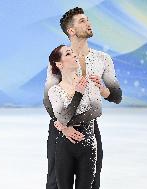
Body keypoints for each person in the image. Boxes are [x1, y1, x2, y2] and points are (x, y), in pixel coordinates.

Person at [44, 7, 122, 189]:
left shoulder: (103, 59)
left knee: (92, 182)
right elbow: (49, 100)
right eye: (82, 21)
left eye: (88, 19)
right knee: (56, 182)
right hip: (59, 129)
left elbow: (116, 96)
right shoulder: (61, 58)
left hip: (90, 127)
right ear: (71, 30)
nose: (89, 23)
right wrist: (63, 126)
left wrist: (103, 91)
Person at [48, 44, 102, 189]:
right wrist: (77, 94)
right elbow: (62, 117)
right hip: (64, 146)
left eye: (73, 53)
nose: (74, 55)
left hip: (88, 143)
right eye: (68, 54)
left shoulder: (89, 83)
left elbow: (96, 110)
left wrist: (63, 124)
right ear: (59, 64)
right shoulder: (55, 91)